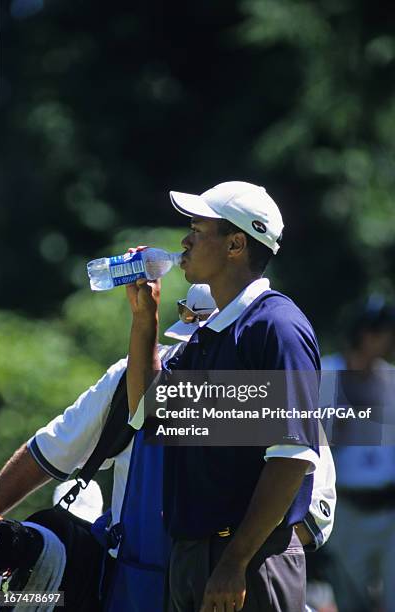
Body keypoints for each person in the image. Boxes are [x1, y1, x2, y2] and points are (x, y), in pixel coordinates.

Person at [0, 282, 333, 610]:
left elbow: (307, 520)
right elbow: (47, 453)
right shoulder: (128, 379)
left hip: (225, 589)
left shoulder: (273, 390)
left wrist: (229, 558)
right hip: (131, 583)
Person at [125, 181, 323, 611]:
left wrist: (235, 562)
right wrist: (145, 321)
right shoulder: (208, 335)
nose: (185, 240)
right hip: (196, 558)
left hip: (250, 562)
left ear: (235, 244)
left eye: (198, 228)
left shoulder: (277, 327)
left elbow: (291, 457)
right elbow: (147, 413)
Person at [321, 298, 395, 612]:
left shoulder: (390, 378)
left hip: (389, 508)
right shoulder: (326, 374)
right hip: (346, 508)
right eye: (382, 332)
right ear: (363, 334)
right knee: (351, 601)